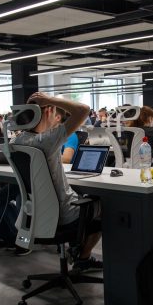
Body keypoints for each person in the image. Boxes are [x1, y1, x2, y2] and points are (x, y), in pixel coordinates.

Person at [12, 92, 102, 270]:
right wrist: (50, 100)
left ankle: (76, 250)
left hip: (37, 214)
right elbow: (84, 110)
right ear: (48, 112)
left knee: (86, 201)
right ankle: (83, 258)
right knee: (106, 204)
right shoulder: (46, 140)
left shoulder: (17, 140)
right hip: (65, 214)